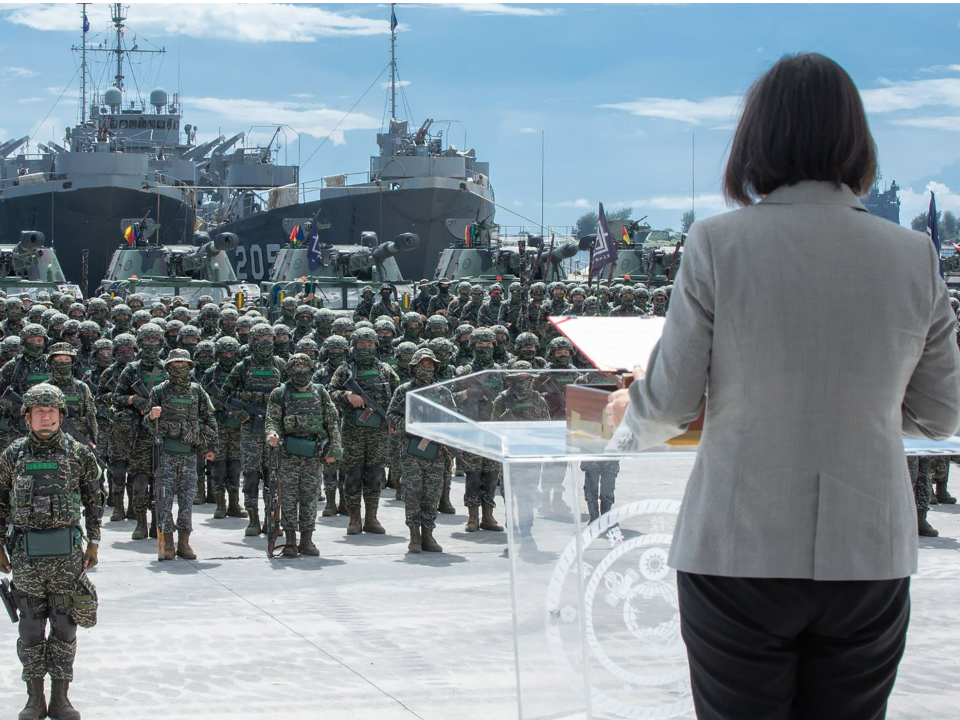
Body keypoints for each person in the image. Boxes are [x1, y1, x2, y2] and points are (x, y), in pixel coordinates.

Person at [605, 53, 960, 720]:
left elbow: (672, 405)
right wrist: (859, 410)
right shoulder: (915, 257)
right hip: (868, 554)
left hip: (738, 550)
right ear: (858, 144)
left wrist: (628, 408)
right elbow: (941, 414)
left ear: (754, 143)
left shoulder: (716, 243)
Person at [0, 383, 102, 720]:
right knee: (30, 629)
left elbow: (94, 498)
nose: (46, 416)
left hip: (67, 556)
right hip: (26, 557)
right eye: (39, 412)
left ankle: (60, 698)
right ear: (27, 417)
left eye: (52, 411)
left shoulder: (78, 453)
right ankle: (34, 699)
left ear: (61, 415)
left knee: (64, 627)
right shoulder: (12, 455)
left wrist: (95, 541)